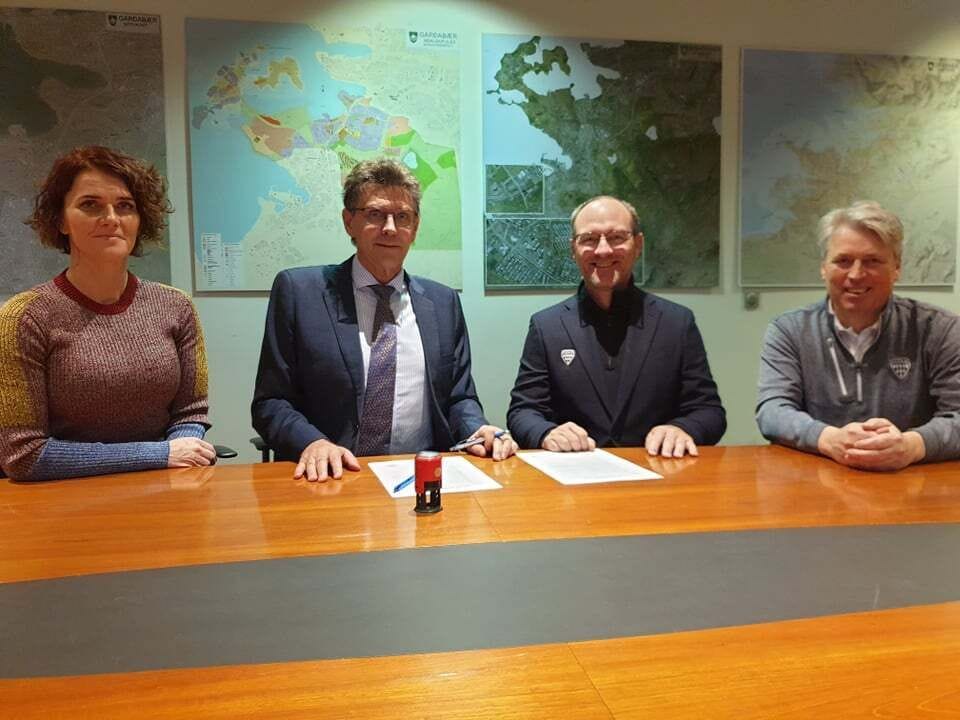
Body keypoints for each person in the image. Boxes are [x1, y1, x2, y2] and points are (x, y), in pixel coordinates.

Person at [252, 158, 517, 481]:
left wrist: (477, 428)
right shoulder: (300, 293)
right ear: (349, 221)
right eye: (375, 214)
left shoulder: (443, 302)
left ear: (415, 228)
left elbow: (458, 397)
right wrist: (313, 443)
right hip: (333, 477)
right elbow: (271, 402)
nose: (390, 228)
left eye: (402, 216)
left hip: (421, 477)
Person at [0, 146, 213, 481]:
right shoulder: (24, 317)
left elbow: (190, 413)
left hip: (165, 489)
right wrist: (159, 454)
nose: (111, 218)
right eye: (90, 204)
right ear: (61, 220)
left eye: (125, 206)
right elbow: (24, 455)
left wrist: (180, 457)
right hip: (63, 499)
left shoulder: (176, 306)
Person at [507, 195, 726, 456]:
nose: (603, 250)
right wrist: (546, 433)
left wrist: (683, 429)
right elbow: (523, 411)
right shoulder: (546, 326)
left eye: (616, 237)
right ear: (573, 249)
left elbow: (709, 411)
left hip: (657, 470)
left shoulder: (677, 323)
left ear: (638, 244)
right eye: (589, 239)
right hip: (574, 471)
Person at [756, 200, 960, 471]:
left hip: (911, 480)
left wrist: (910, 446)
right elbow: (772, 411)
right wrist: (829, 440)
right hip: (819, 481)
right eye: (843, 260)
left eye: (872, 261)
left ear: (897, 268)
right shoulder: (789, 330)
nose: (856, 274)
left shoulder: (941, 329)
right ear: (823, 267)